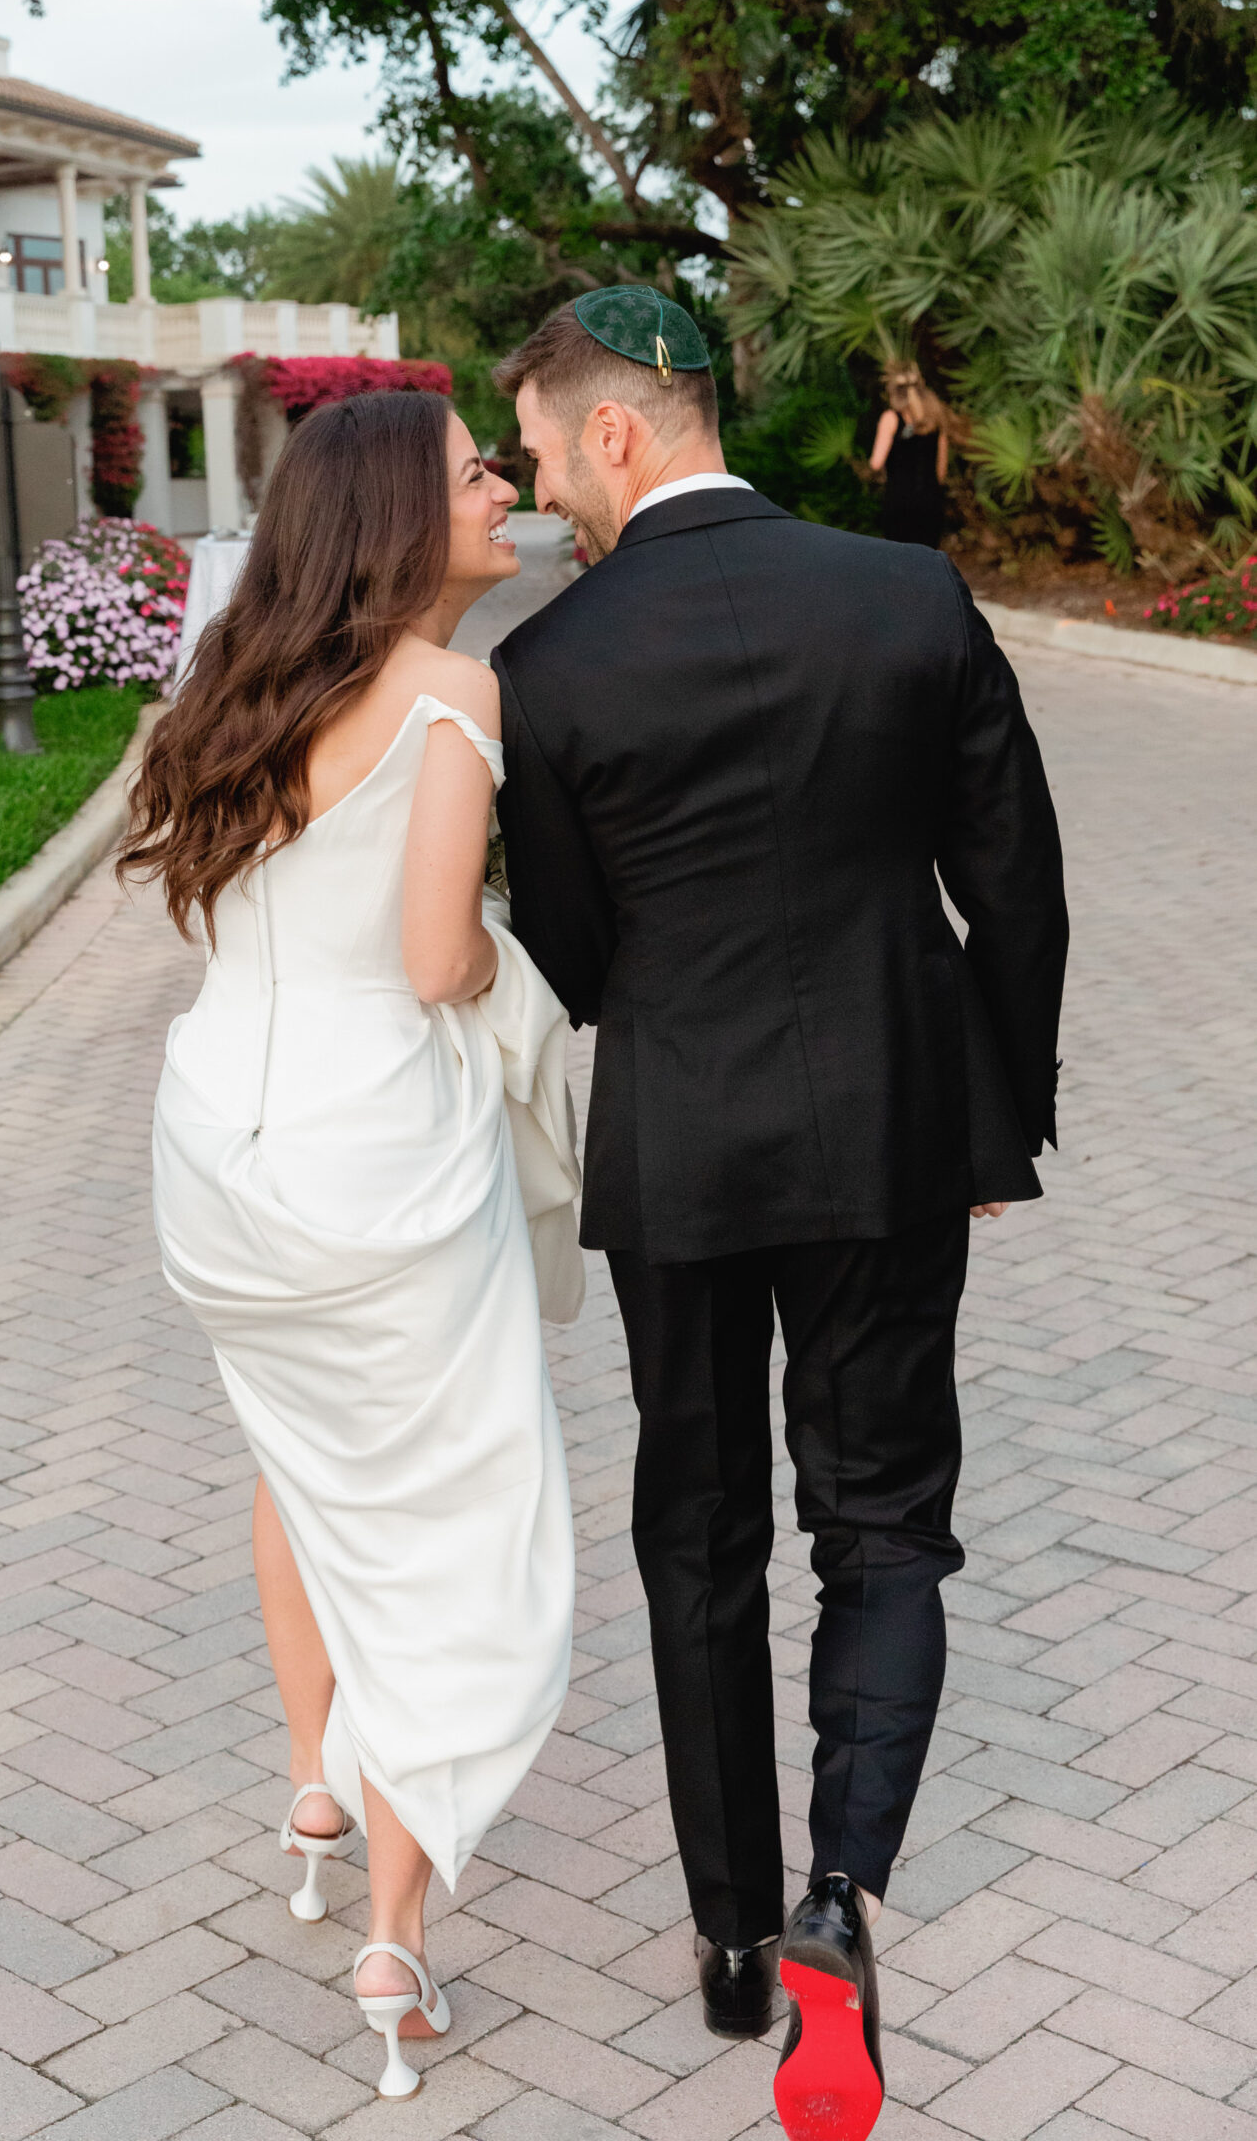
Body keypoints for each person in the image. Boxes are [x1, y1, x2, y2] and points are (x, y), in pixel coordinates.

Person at [489, 290, 1069, 2141]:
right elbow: (1016, 886)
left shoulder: (548, 663)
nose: (537, 494)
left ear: (615, 433)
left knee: (699, 1528)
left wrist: (669, 1005)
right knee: (881, 1522)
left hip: (678, 1144)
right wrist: (998, 1117)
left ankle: (734, 1935)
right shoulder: (906, 596)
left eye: (539, 454)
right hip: (891, 1124)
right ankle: (844, 1891)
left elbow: (568, 946)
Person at [121, 390, 580, 2103]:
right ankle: (392, 1936)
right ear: (395, 515)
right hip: (377, 1165)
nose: (497, 486)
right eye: (469, 470)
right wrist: (536, 983)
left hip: (217, 1157)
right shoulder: (450, 694)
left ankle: (314, 1784)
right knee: (447, 1531)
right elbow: (435, 960)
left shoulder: (227, 682)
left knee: (302, 1461)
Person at [871, 362, 953, 549]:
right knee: (927, 555)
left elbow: (876, 463)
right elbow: (941, 471)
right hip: (930, 501)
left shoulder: (890, 419)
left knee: (900, 558)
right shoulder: (936, 420)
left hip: (898, 502)